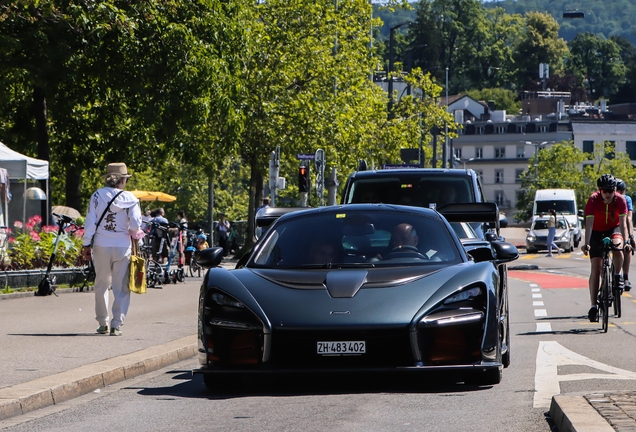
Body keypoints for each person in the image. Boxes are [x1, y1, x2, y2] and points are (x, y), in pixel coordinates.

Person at [81, 162, 143, 337]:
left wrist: (87, 243)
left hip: (101, 245)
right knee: (121, 286)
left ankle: (103, 322)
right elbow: (136, 225)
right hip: (122, 245)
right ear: (122, 180)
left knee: (102, 283)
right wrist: (130, 231)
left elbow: (90, 222)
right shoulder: (131, 199)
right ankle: (117, 324)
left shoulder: (96, 196)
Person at [582, 174, 631, 322]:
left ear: (615, 189)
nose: (608, 194)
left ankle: (617, 276)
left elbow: (623, 224)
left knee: (619, 247)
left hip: (613, 229)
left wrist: (627, 241)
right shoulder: (593, 200)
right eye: (605, 191)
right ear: (600, 191)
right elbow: (589, 224)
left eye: (611, 190)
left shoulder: (620, 199)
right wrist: (587, 243)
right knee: (596, 268)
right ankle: (592, 306)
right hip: (596, 232)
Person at [616, 179, 635, 291]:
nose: (619, 193)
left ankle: (626, 276)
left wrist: (631, 236)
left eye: (621, 190)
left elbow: (629, 218)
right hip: (610, 227)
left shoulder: (627, 199)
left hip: (623, 227)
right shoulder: (609, 198)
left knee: (627, 249)